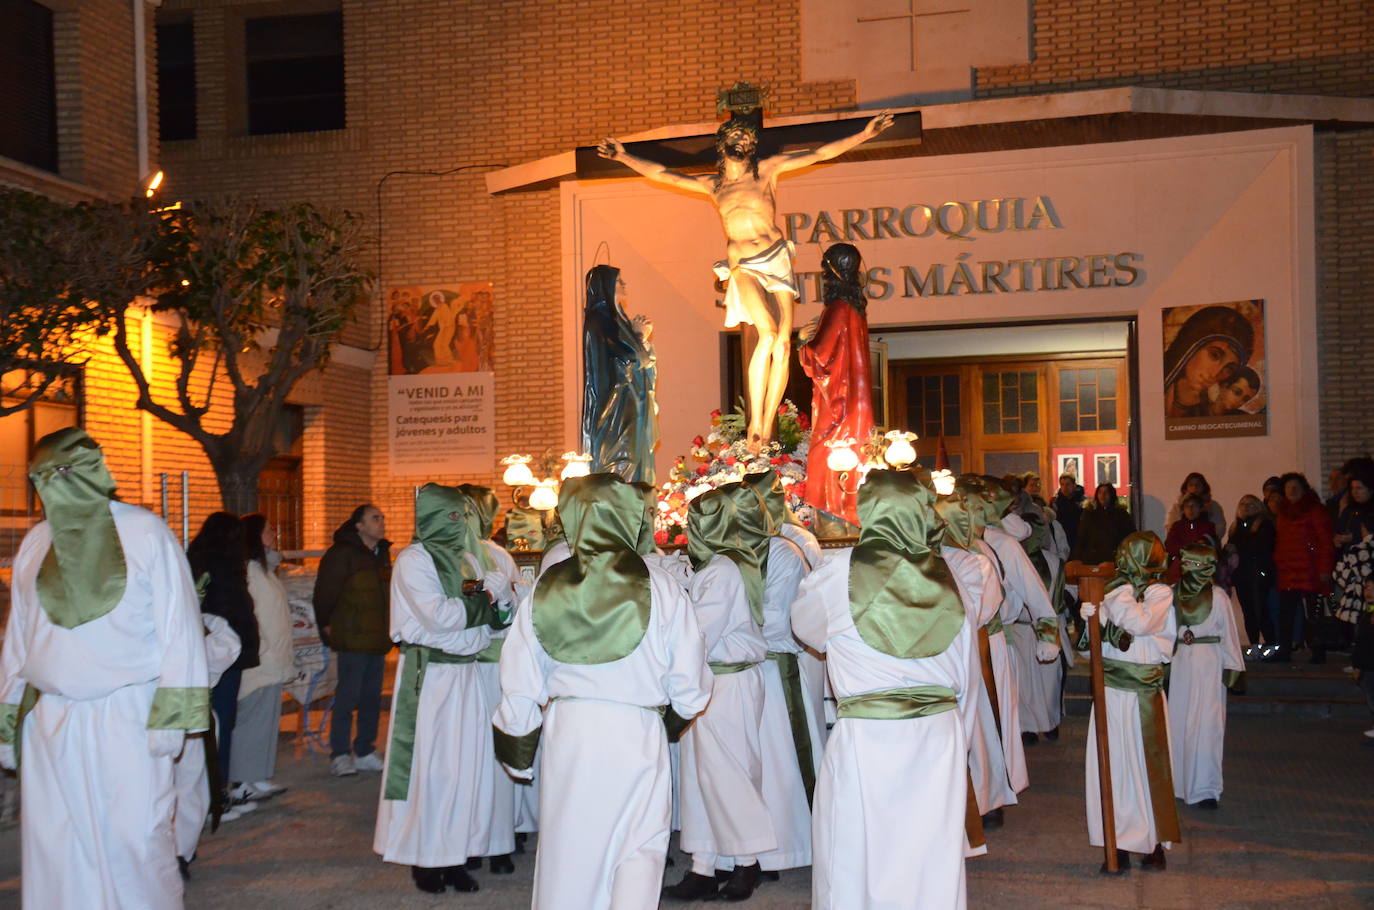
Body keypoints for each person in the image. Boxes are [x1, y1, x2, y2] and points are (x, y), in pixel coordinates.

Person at [0, 428, 210, 909]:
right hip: (50, 720)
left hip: (129, 716)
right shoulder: (35, 543)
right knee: (58, 846)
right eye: (46, 476)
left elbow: (179, 627)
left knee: (137, 838)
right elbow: (20, 638)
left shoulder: (145, 531)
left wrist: (173, 717)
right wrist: (9, 716)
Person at [598, 110, 892, 447]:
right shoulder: (714, 185)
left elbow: (819, 153)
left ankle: (767, 426)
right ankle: (755, 424)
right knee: (766, 335)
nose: (743, 142)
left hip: (776, 255)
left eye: (748, 139)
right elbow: (665, 174)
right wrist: (623, 156)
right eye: (736, 138)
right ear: (722, 145)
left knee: (782, 345)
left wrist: (864, 135)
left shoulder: (766, 171)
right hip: (744, 265)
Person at [494, 473, 712, 910]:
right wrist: (668, 722)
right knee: (639, 849)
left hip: (570, 733)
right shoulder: (664, 586)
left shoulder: (546, 586)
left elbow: (519, 675)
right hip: (637, 730)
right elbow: (691, 685)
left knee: (570, 849)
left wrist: (518, 748)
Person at [793, 470, 973, 909]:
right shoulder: (951, 577)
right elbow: (965, 672)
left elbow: (806, 628)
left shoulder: (836, 573)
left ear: (866, 511)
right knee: (932, 851)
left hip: (868, 734)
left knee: (855, 850)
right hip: (938, 733)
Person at [373, 483, 509, 894]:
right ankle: (426, 858)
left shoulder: (469, 558)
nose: (460, 524)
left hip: (466, 676)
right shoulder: (413, 560)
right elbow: (441, 617)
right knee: (432, 770)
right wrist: (492, 592)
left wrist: (499, 601)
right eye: (452, 516)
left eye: (463, 516)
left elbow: (492, 617)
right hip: (430, 679)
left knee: (467, 767)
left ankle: (456, 854)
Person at [666, 485, 776, 902]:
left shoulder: (724, 570)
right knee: (700, 778)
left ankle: (748, 863)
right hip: (710, 681)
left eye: (695, 522)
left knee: (729, 773)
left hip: (727, 683)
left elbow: (699, 632)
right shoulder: (720, 566)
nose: (687, 530)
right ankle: (703, 866)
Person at [729, 478, 823, 877]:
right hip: (740, 669)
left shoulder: (783, 554)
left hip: (773, 667)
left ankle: (785, 847)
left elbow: (778, 618)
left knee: (779, 762)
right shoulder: (726, 556)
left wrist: (727, 637)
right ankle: (747, 848)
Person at [1079, 532, 1180, 870]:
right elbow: (1086, 648)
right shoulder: (1111, 594)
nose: (1121, 562)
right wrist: (1090, 616)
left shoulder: (1160, 592)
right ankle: (1116, 840)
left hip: (1143, 696)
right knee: (1114, 767)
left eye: (1126, 556)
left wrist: (1112, 596)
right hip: (1110, 691)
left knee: (1144, 766)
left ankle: (1152, 841)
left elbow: (1138, 621)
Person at [934, 480, 1017, 831]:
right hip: (939, 655)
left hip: (966, 650)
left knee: (978, 727)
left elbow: (982, 610)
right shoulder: (933, 559)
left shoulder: (976, 562)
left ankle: (984, 797)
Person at [458, 483, 521, 874]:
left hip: (489, 667)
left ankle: (497, 841)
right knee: (468, 757)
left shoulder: (496, 554)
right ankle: (475, 839)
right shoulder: (444, 558)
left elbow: (512, 608)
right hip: (463, 670)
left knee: (491, 755)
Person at [797, 242, 876, 525]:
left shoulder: (838, 308)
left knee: (826, 458)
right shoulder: (856, 310)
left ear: (831, 273)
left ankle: (836, 513)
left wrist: (803, 341)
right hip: (856, 401)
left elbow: (819, 354)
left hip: (839, 402)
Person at [187, 512, 261, 810]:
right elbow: (233, 612)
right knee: (221, 722)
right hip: (223, 655)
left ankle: (215, 792)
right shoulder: (223, 569)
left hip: (210, 654)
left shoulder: (197, 561)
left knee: (214, 723)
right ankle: (216, 795)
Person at [313, 504, 392, 776]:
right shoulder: (342, 554)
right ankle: (340, 753)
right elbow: (325, 592)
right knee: (348, 697)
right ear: (359, 525)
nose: (381, 523)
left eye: (382, 518)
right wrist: (326, 624)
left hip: (377, 638)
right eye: (375, 518)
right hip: (352, 636)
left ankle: (365, 749)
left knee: (371, 697)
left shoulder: (381, 554)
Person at [1168, 545, 1245, 808]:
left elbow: (1230, 634)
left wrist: (1233, 669)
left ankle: (1205, 788)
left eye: (1197, 565)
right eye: (1188, 564)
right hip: (1180, 664)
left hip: (1209, 665)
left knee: (1207, 726)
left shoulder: (1219, 597)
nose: (1192, 571)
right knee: (1178, 722)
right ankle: (1178, 782)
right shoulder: (1173, 593)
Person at [227, 514, 293, 804]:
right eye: (268, 529)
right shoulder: (249, 572)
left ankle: (257, 776)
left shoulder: (264, 569)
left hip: (274, 660)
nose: (274, 532)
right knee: (252, 723)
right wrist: (263, 649)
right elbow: (250, 616)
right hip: (261, 661)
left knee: (266, 724)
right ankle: (242, 780)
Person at [173, 611, 240, 879]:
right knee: (188, 785)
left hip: (184, 711)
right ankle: (179, 850)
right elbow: (228, 647)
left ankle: (179, 849)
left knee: (185, 784)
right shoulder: (204, 626)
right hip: (185, 711)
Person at [581, 264, 660, 483]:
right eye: (618, 281)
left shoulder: (619, 320)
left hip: (633, 398)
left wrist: (641, 339)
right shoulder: (599, 321)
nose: (625, 285)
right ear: (606, 285)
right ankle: (622, 498)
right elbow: (623, 360)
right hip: (615, 402)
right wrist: (637, 335)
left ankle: (636, 495)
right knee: (624, 455)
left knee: (636, 453)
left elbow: (641, 361)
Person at [1271, 472, 1336, 663]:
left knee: (1313, 613)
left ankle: (1318, 651)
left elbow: (1325, 542)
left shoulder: (1315, 511)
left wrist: (1324, 569)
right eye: (1288, 487)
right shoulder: (1283, 514)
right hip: (1288, 572)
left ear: (1304, 489)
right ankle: (1284, 650)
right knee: (1286, 614)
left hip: (1311, 571)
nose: (1292, 490)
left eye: (1296, 487)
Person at [1163, 305, 1254, 418]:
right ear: (1190, 346)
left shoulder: (1209, 412)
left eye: (1229, 369)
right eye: (1214, 355)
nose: (1215, 374)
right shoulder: (1152, 384)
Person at [1227, 494, 1278, 657]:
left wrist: (1237, 548)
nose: (1246, 507)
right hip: (1242, 574)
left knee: (1260, 610)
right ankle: (1254, 644)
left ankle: (1271, 643)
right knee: (1248, 611)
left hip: (1257, 573)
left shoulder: (1264, 524)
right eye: (1243, 504)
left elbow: (1260, 547)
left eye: (1250, 504)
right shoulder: (1235, 527)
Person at [1070, 483, 1136, 565]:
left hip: (1115, 558)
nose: (1103, 495)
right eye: (1100, 492)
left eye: (1106, 492)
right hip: (1092, 559)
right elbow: (1082, 536)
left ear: (1111, 495)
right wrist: (1077, 557)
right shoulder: (1089, 513)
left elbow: (1130, 536)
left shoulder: (1121, 514)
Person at [1164, 494, 1219, 582]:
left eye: (1194, 506)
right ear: (1183, 509)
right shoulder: (1177, 526)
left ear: (1201, 508)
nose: (1190, 509)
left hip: (1201, 567)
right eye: (1187, 506)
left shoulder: (1208, 526)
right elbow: (1170, 545)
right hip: (1180, 565)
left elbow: (1211, 546)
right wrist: (1190, 549)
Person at [1053, 473, 1086, 550]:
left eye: (1068, 484)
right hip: (1061, 539)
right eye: (1062, 484)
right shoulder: (1056, 502)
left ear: (1074, 485)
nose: (1065, 488)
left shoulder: (1083, 502)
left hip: (1079, 538)